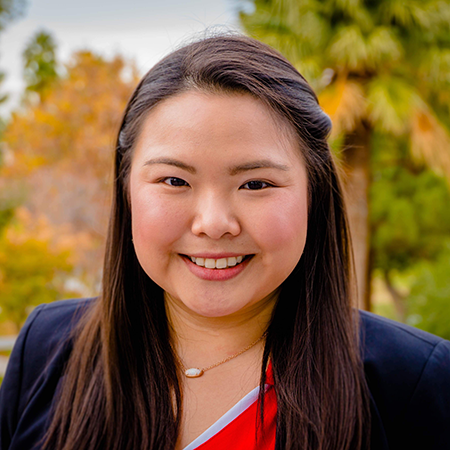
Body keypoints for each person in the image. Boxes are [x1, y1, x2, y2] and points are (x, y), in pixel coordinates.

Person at [0, 33, 449, 450]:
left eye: (255, 184)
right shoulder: (50, 348)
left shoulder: (412, 382)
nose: (214, 224)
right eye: (174, 180)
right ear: (127, 188)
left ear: (314, 193)